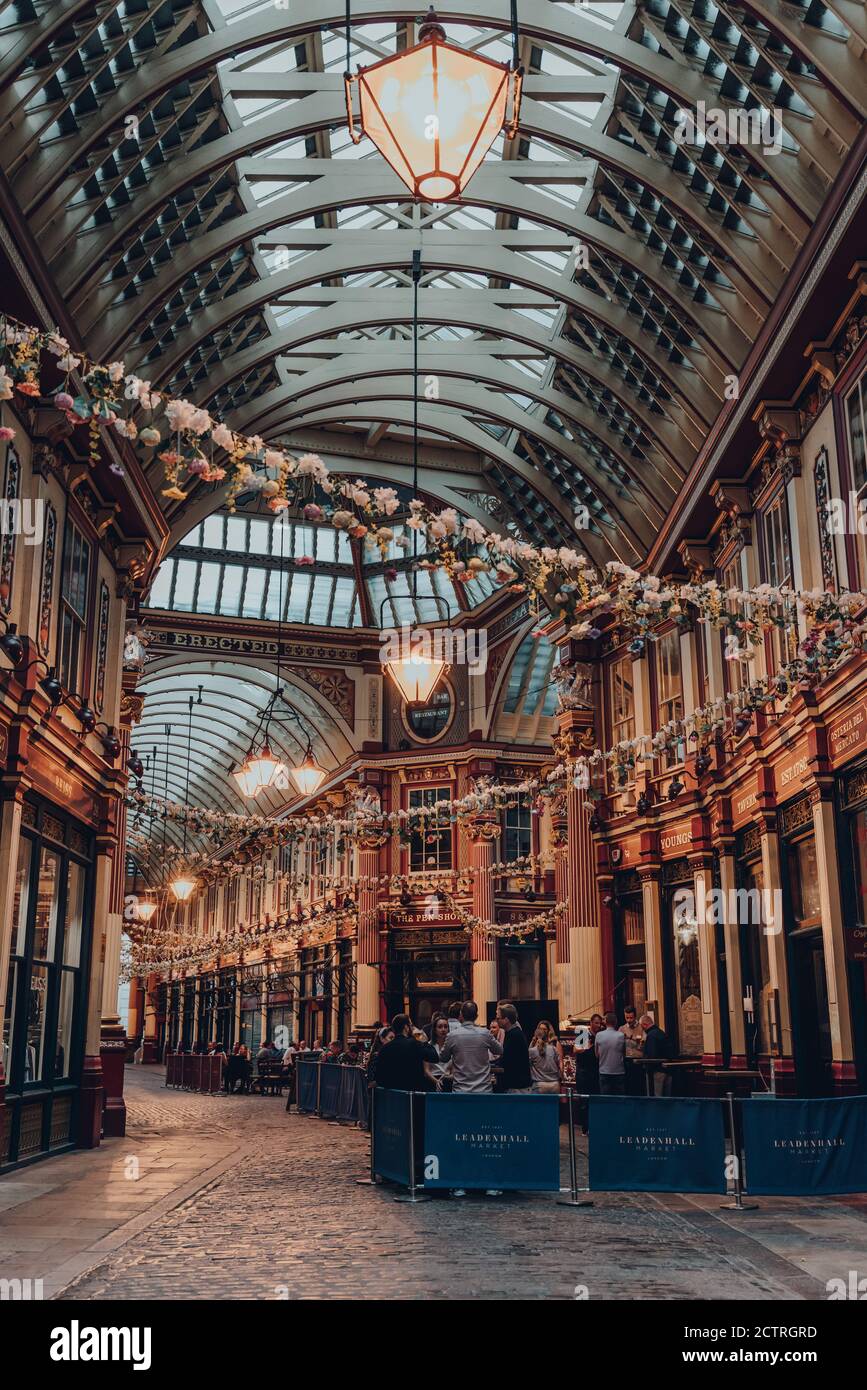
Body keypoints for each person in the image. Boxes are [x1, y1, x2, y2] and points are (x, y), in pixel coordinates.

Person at [439, 1000, 503, 1094]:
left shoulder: (452, 1035)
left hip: (460, 1090)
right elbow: (499, 1050)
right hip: (483, 1089)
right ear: (476, 1016)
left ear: (461, 1015)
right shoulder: (485, 1033)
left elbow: (443, 1058)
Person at [374, 1015, 426, 1091]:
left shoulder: (384, 1049)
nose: (412, 1028)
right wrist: (424, 1041)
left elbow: (379, 1078)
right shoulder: (414, 1044)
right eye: (411, 1025)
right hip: (412, 1092)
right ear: (406, 1027)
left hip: (392, 1093)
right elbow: (434, 1057)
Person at [495, 1002, 531, 1093]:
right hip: (516, 1084)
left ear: (506, 1020)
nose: (497, 1020)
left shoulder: (514, 1035)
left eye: (498, 1018)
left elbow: (508, 1059)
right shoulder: (513, 1033)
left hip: (517, 1086)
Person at [640, 1013, 673, 1096]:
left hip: (656, 1071)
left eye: (641, 1026)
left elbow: (652, 1055)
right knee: (666, 1097)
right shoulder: (661, 1032)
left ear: (645, 1024)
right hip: (667, 1070)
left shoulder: (651, 1036)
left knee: (656, 1096)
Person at [595, 1012, 627, 1094]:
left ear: (605, 1022)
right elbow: (624, 1053)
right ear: (616, 1022)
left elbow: (597, 1054)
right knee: (619, 1099)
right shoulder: (621, 1035)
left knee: (606, 1099)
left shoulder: (599, 1035)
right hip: (619, 1071)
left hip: (604, 1071)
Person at [528, 1020, 563, 1093]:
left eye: (544, 1029)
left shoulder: (555, 1044)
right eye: (540, 1029)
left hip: (547, 1082)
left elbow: (560, 1062)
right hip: (547, 1082)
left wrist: (561, 1077)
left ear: (549, 1031)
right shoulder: (534, 1044)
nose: (542, 1031)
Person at [422, 1015, 453, 1091]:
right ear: (435, 1030)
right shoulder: (428, 1046)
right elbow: (426, 1070)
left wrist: (447, 1078)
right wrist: (437, 1081)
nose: (443, 1029)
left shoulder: (452, 1046)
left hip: (448, 1080)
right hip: (432, 1080)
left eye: (445, 1027)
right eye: (440, 1027)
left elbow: (454, 1071)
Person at [620, 1005, 646, 1094]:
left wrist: (631, 1037)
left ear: (635, 1016)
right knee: (628, 1087)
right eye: (627, 1018)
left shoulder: (641, 1027)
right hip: (627, 1061)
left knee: (639, 1087)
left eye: (631, 1018)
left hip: (639, 1060)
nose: (629, 1020)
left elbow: (645, 1043)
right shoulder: (622, 1028)